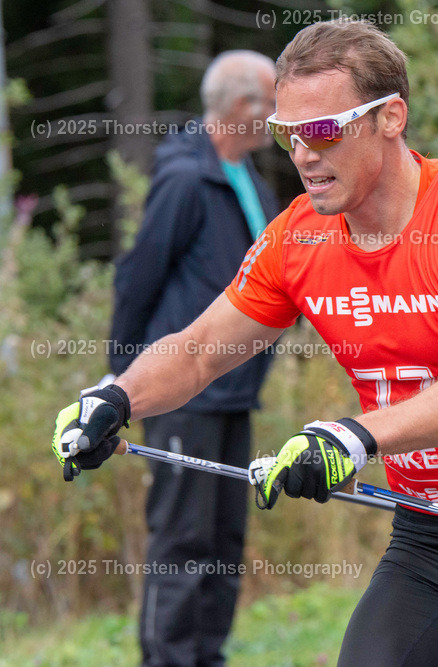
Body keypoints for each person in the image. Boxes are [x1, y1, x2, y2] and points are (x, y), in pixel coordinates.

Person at [53, 21, 438, 667]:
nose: (303, 153)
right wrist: (116, 395)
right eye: (288, 132)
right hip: (429, 545)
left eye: (324, 129)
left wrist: (353, 436)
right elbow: (200, 350)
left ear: (391, 117)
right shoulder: (299, 238)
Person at [105, 50, 278, 666]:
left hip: (235, 393)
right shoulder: (184, 178)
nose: (280, 116)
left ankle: (209, 656)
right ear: (240, 107)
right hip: (185, 394)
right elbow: (138, 276)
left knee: (224, 540)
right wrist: (118, 376)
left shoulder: (252, 182)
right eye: (271, 101)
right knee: (182, 538)